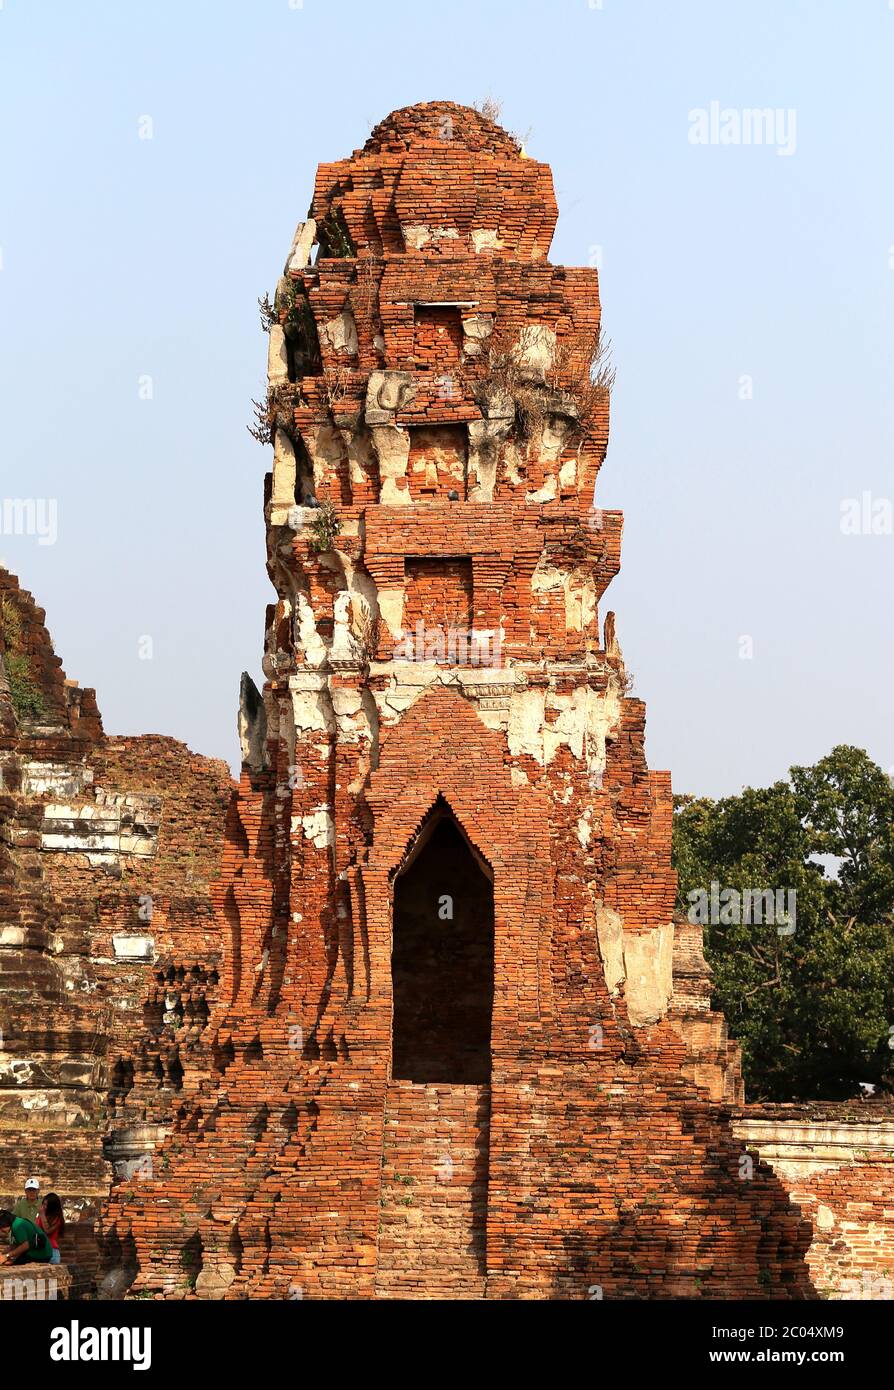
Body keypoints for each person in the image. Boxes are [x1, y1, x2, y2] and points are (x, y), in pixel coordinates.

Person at [37, 1193, 65, 1265]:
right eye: (44, 1204)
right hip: (40, 1250)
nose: (45, 1207)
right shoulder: (41, 1214)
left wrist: (42, 1215)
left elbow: (47, 1231)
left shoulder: (57, 1218)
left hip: (51, 1251)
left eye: (47, 1205)